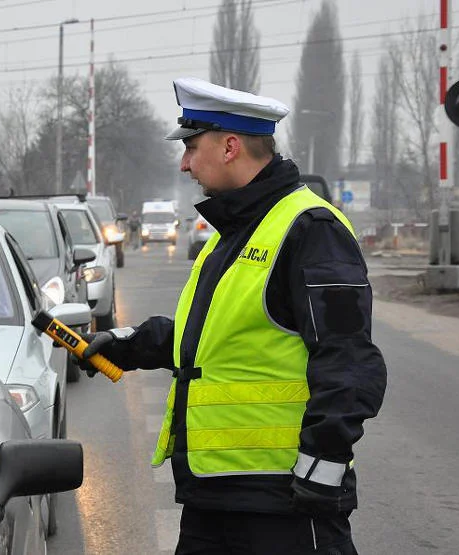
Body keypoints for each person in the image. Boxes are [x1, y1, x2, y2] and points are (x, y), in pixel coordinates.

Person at [78, 77, 387, 554]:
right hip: (215, 496)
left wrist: (321, 471)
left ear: (229, 146)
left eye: (190, 146)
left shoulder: (309, 227)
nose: (184, 164)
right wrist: (128, 344)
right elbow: (219, 338)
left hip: (282, 502)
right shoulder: (237, 227)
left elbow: (349, 361)